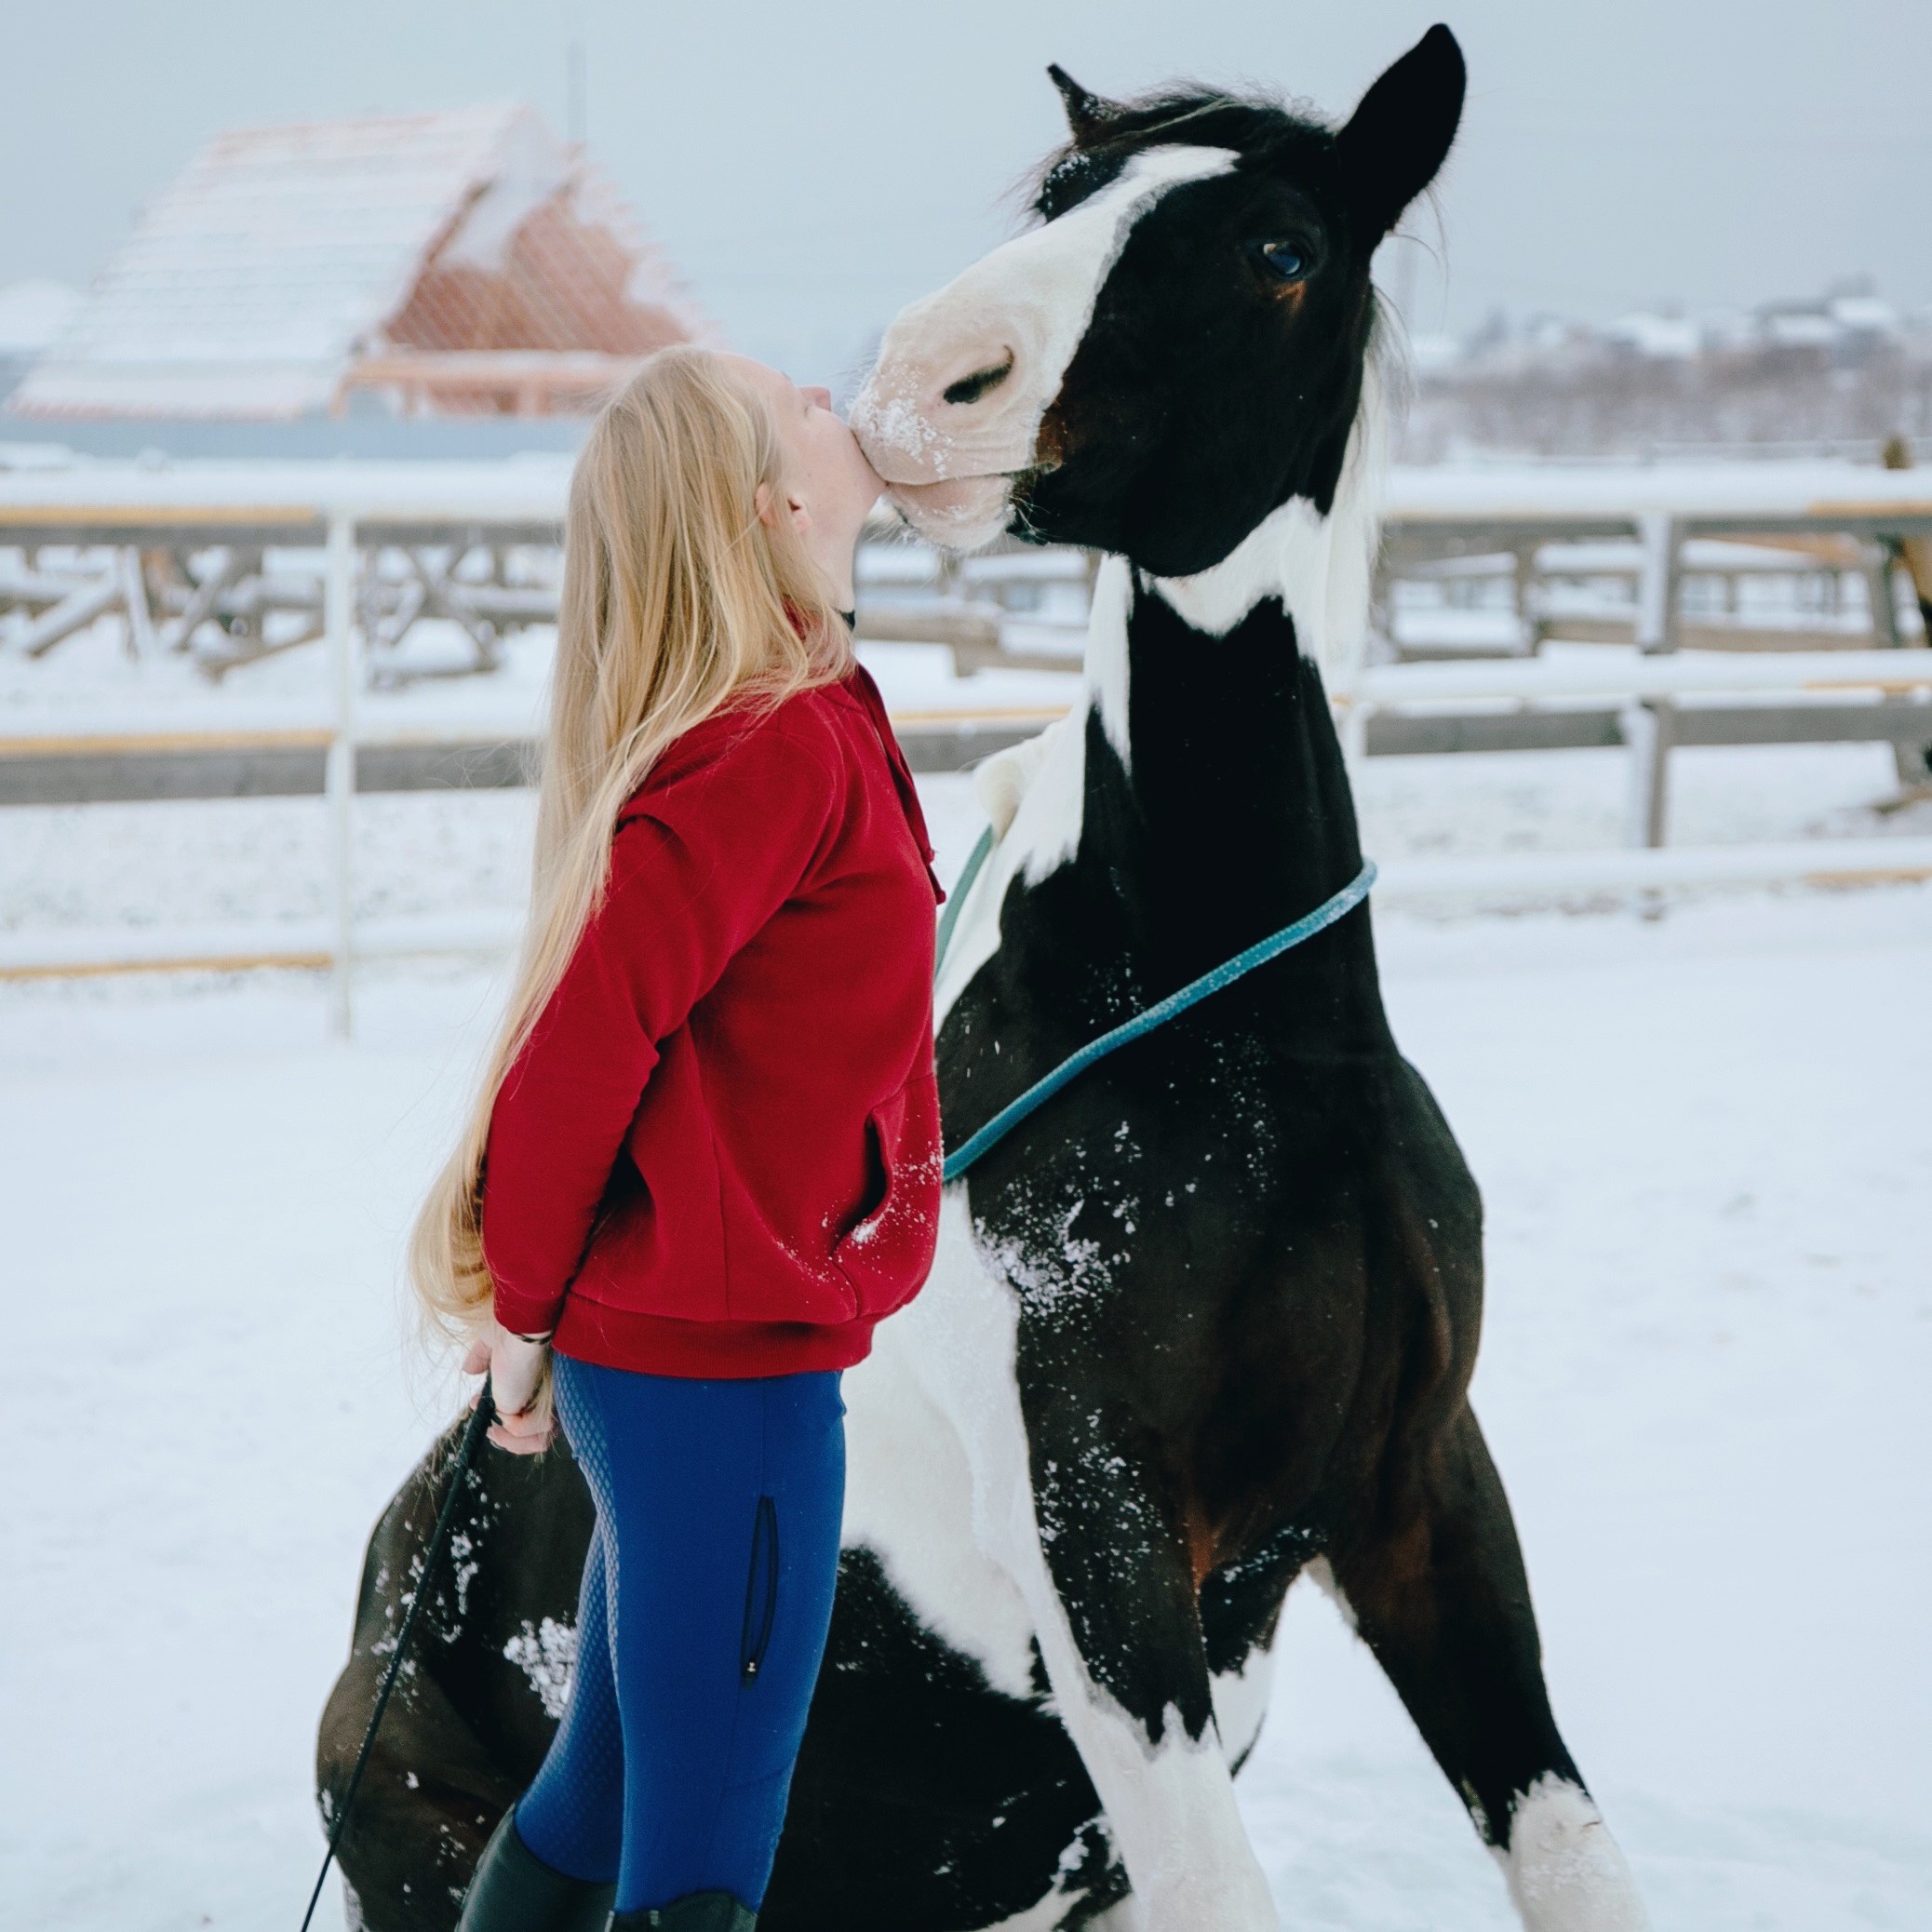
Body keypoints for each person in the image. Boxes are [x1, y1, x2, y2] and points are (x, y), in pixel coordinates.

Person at [409, 345, 945, 1932]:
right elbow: (577, 1058)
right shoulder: (767, 747)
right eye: (793, 397)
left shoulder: (811, 706)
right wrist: (520, 1324)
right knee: (704, 1844)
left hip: (703, 1364)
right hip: (722, 1381)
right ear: (764, 500)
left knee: (622, 1778)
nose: (829, 390)